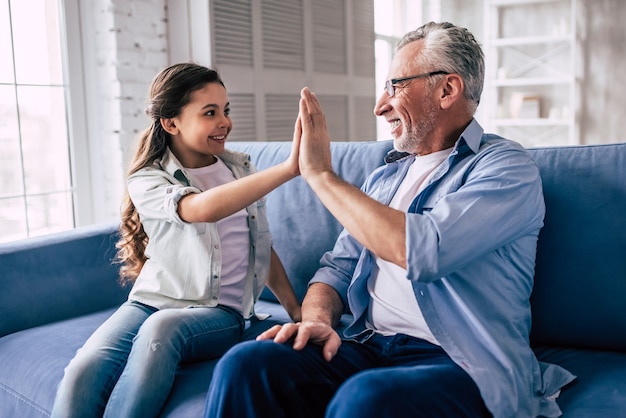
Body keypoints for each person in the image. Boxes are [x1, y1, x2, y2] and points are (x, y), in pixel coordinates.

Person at [204, 22, 576, 418]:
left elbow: (423, 249)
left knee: (367, 399)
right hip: (369, 347)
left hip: (461, 362)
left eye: (394, 86)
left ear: (447, 90)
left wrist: (321, 176)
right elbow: (336, 270)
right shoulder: (385, 177)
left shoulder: (505, 167)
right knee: (246, 364)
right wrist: (316, 322)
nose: (380, 105)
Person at [51, 63, 302, 418]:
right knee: (84, 368)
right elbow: (199, 208)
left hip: (217, 312)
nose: (224, 122)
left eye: (226, 110)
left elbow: (259, 245)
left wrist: (296, 310)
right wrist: (289, 167)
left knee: (162, 329)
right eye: (210, 112)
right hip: (150, 301)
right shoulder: (147, 179)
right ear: (171, 123)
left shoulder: (239, 170)